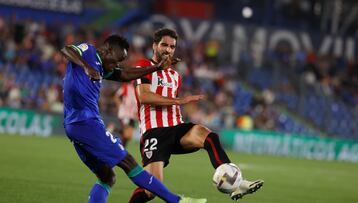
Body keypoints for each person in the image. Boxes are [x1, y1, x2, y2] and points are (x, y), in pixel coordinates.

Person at [61, 34, 206, 203]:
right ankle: (177, 201)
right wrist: (86, 66)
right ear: (107, 49)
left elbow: (124, 74)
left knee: (107, 177)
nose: (116, 65)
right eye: (116, 60)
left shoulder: (102, 67)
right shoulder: (89, 52)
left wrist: (156, 68)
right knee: (129, 162)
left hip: (75, 125)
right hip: (86, 123)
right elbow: (67, 49)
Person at [128, 28, 263, 202]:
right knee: (150, 190)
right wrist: (178, 100)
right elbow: (144, 96)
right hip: (154, 132)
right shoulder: (143, 66)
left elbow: (170, 104)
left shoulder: (175, 76)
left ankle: (236, 184)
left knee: (210, 137)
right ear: (154, 46)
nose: (168, 50)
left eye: (172, 46)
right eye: (164, 45)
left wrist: (180, 104)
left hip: (177, 128)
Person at [114, 82, 138, 147]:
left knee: (128, 136)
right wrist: (120, 106)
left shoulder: (137, 89)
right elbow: (116, 96)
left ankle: (114, 129)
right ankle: (120, 149)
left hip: (132, 116)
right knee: (127, 134)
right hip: (126, 114)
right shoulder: (126, 87)